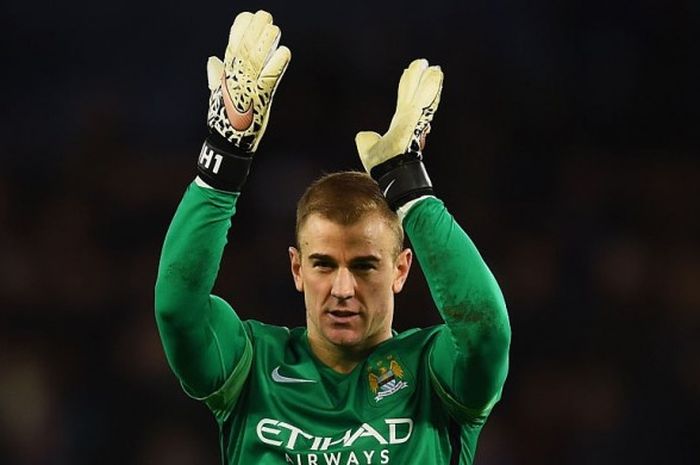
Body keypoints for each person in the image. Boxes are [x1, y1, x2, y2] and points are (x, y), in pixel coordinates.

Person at [155, 10, 511, 465]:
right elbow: (177, 310)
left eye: (364, 265)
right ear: (296, 268)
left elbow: (486, 332)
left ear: (401, 268)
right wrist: (225, 155)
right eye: (324, 263)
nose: (343, 289)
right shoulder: (253, 367)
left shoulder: (431, 372)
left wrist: (412, 194)